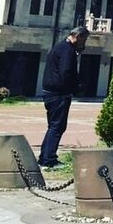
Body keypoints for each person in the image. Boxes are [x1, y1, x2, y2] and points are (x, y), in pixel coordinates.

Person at [38, 27, 88, 169]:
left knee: (53, 126)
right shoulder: (68, 50)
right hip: (59, 94)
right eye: (84, 39)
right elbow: (65, 72)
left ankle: (44, 157)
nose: (84, 43)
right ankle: (49, 160)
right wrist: (74, 87)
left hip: (50, 92)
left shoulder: (59, 47)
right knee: (57, 127)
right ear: (78, 36)